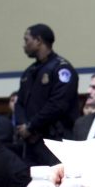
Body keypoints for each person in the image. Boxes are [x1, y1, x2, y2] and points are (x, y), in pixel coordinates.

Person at [15, 23, 79, 166]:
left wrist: (31, 127)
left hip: (54, 139)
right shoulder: (29, 72)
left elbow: (57, 105)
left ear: (38, 41)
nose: (24, 45)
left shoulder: (61, 69)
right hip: (31, 141)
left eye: (27, 40)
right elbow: (19, 103)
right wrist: (23, 127)